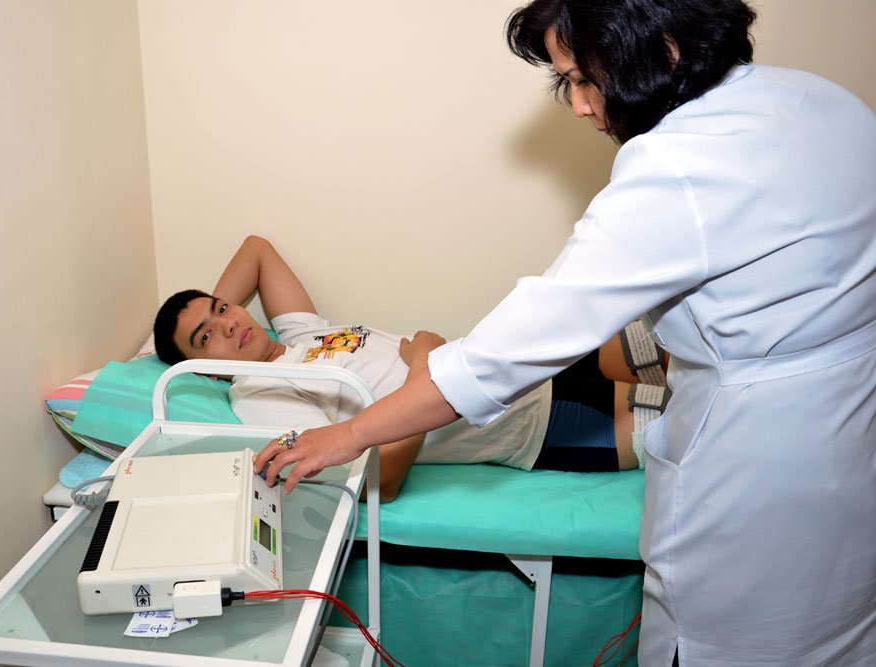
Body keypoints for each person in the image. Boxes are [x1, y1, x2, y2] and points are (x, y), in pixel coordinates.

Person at [253, 1, 876, 665]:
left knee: (731, 644)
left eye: (582, 79)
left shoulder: (677, 165)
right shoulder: (818, 100)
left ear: (661, 47)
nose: (579, 105)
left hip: (757, 466)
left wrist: (348, 434)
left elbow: (499, 358)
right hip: (848, 428)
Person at [153, 235, 667, 501]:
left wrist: (204, 321)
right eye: (206, 337)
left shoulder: (296, 337)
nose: (228, 324)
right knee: (693, 419)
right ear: (202, 368)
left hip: (521, 360)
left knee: (679, 339)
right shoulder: (257, 394)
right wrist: (423, 363)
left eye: (223, 308)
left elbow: (257, 249)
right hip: (533, 425)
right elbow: (382, 480)